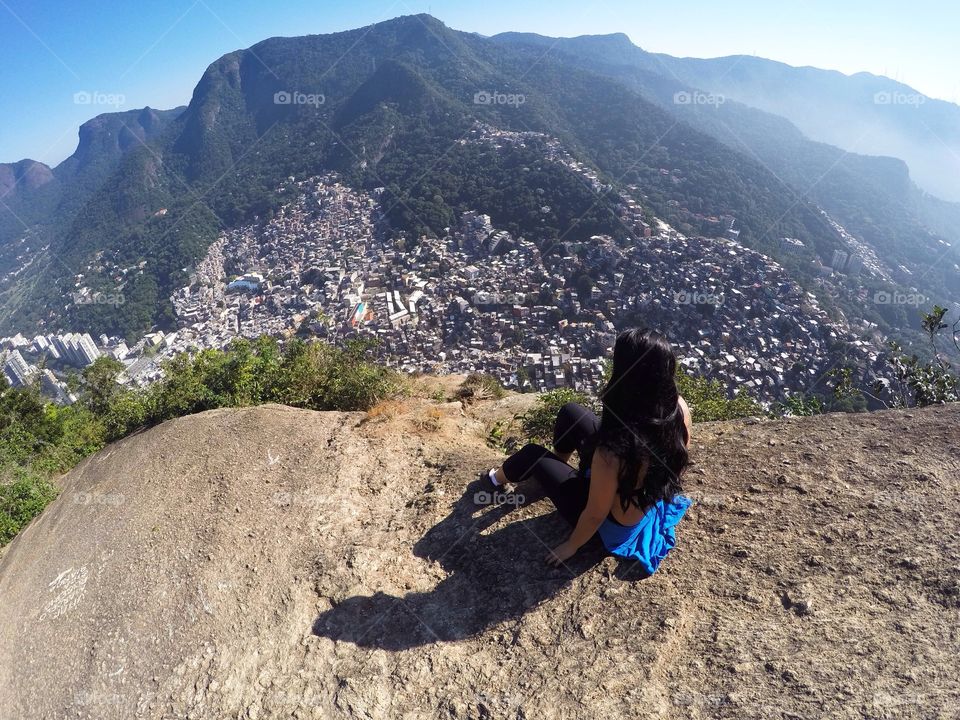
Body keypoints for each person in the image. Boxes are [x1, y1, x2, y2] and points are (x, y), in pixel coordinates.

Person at [478, 328, 693, 575]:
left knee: (532, 455)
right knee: (571, 412)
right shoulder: (678, 407)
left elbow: (594, 515)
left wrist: (572, 546)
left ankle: (494, 480)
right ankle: (556, 465)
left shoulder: (612, 452)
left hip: (610, 525)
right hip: (642, 497)